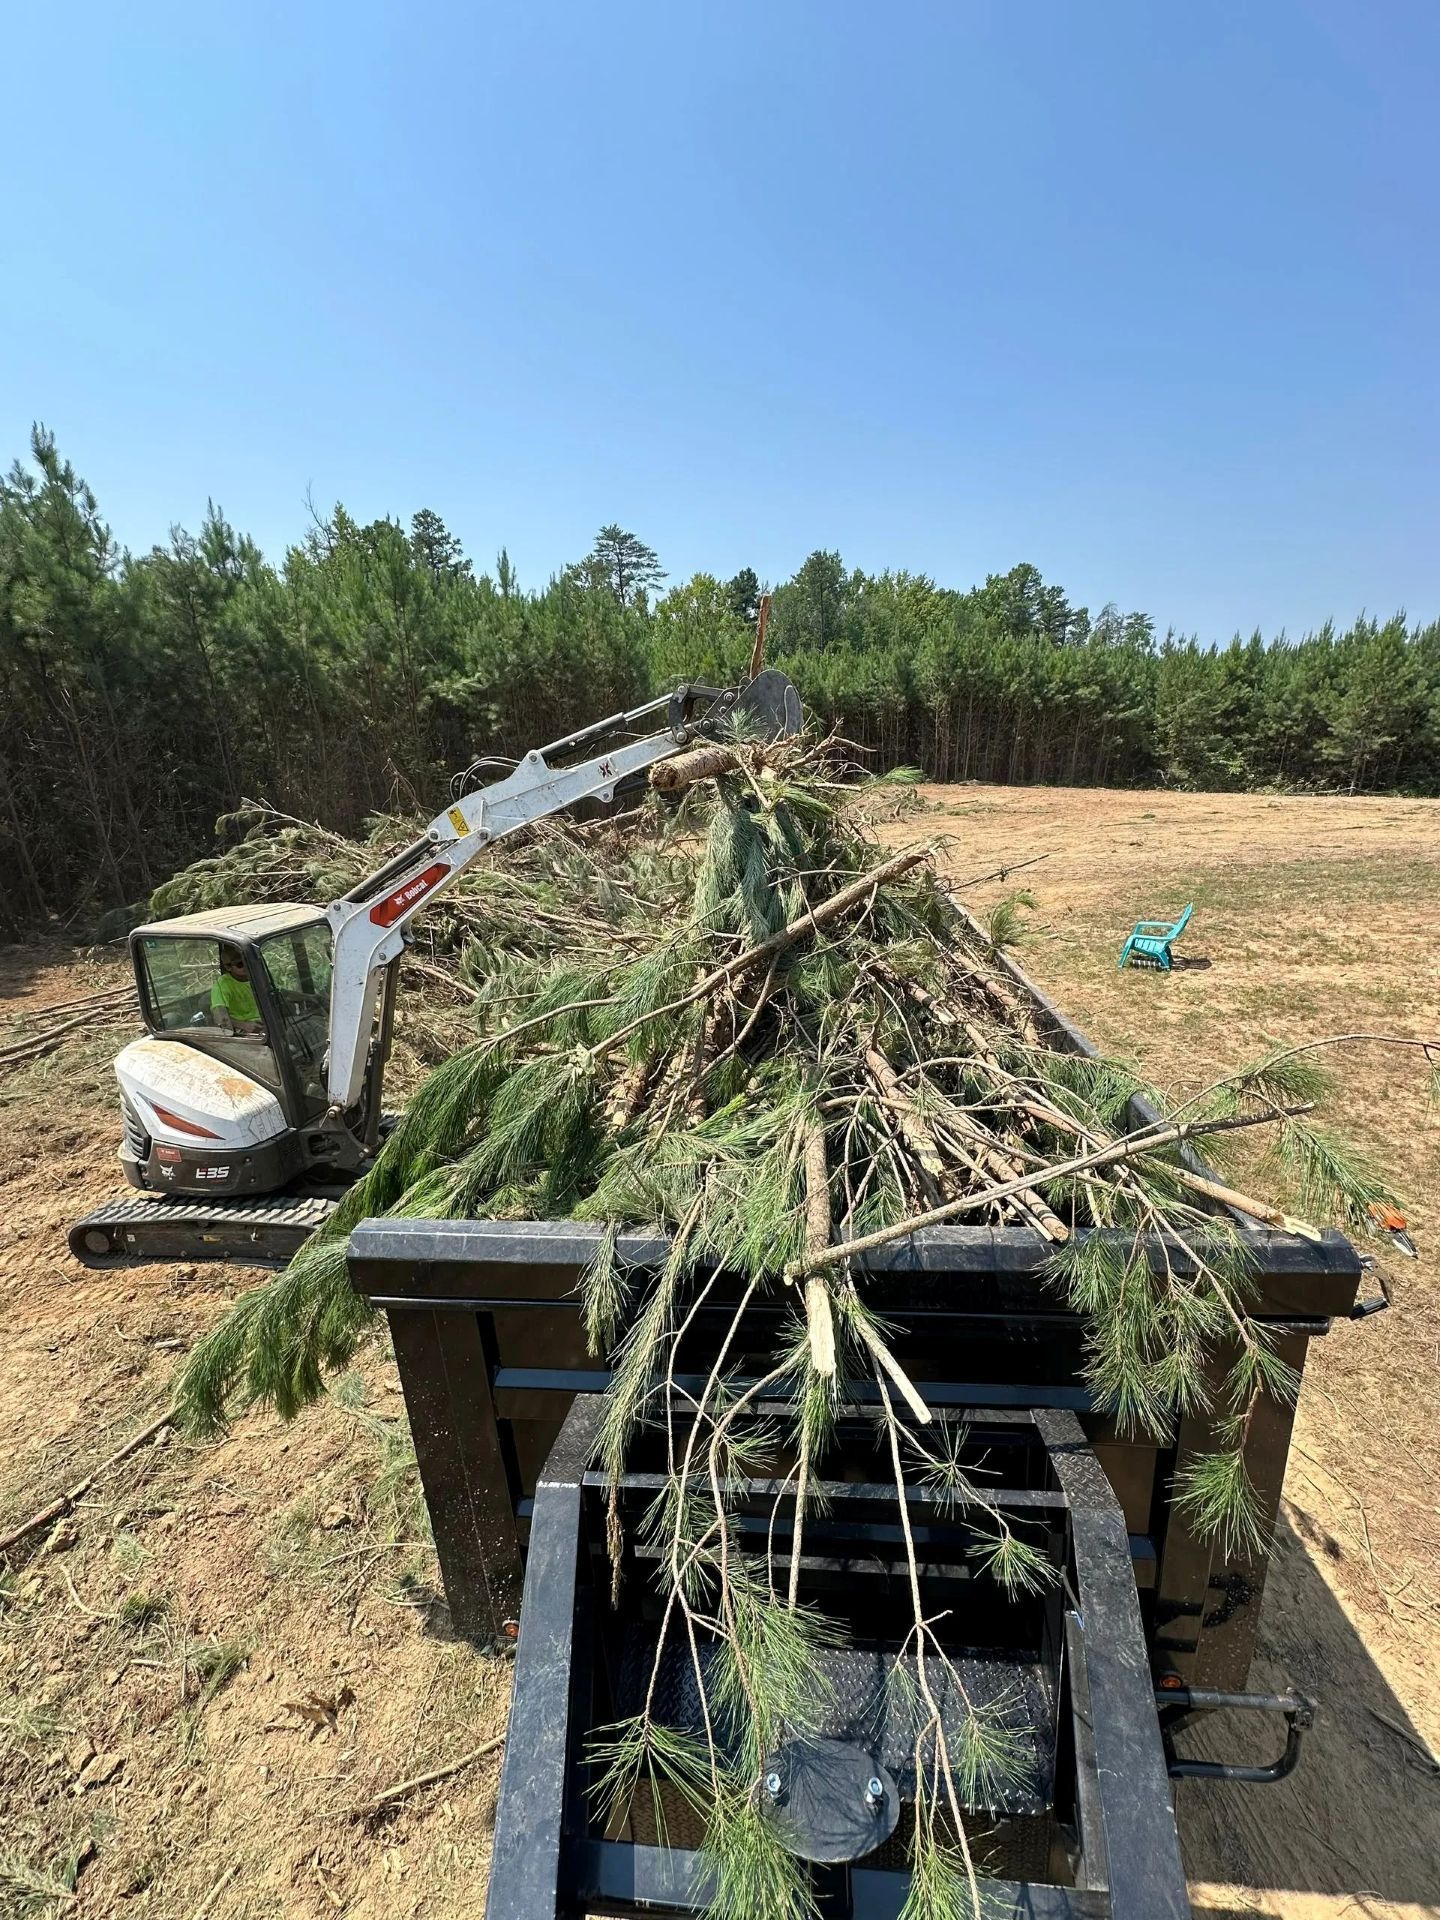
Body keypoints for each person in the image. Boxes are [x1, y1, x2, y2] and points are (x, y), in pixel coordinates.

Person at [211, 944, 264, 1035]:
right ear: (228, 967)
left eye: (248, 962)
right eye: (240, 964)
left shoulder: (257, 976)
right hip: (242, 1029)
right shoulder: (222, 985)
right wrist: (245, 1025)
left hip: (266, 1022)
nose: (247, 966)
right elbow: (220, 1018)